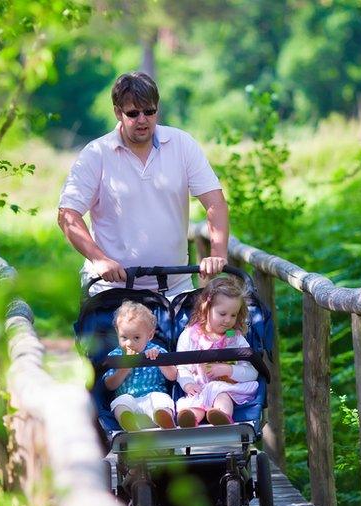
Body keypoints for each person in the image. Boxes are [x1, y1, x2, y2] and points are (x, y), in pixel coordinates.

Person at [57, 71, 229, 297]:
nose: (142, 119)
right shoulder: (96, 153)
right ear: (118, 112)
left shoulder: (182, 144)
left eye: (149, 111)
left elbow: (215, 202)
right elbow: (67, 215)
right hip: (111, 289)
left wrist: (217, 253)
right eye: (133, 113)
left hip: (174, 288)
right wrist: (100, 259)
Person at [175, 277, 259, 427]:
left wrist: (229, 370)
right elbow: (181, 367)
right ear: (206, 308)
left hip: (223, 387)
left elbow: (252, 372)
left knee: (223, 397)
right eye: (222, 314)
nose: (228, 320)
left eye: (233, 315)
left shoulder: (233, 337)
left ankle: (221, 416)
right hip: (198, 388)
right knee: (192, 403)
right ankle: (190, 419)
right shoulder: (190, 335)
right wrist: (188, 384)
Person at [103, 301, 178, 431]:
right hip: (129, 401)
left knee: (162, 399)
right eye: (124, 337)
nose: (129, 343)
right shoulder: (115, 355)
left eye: (136, 338)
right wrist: (124, 369)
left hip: (152, 398)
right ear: (117, 333)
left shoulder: (156, 350)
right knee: (120, 402)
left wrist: (159, 360)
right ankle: (129, 422)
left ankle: (163, 418)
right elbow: (109, 385)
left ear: (149, 335)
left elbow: (173, 376)